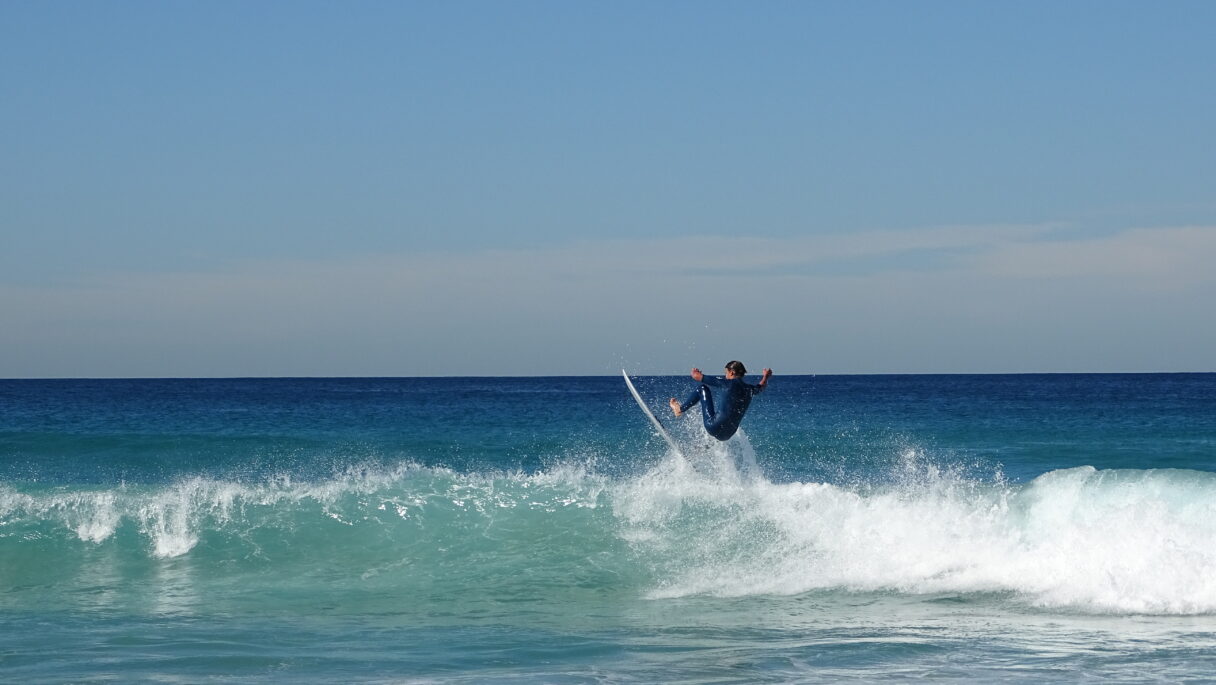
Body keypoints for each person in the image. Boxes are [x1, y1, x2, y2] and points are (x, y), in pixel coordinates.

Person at [669, 361, 772, 441]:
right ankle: (700, 450)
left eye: (726, 373)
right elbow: (761, 387)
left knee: (702, 389)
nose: (725, 376)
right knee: (717, 433)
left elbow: (696, 377)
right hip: (728, 434)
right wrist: (765, 377)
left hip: (713, 426)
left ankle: (680, 409)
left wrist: (695, 372)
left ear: (731, 372)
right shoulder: (750, 389)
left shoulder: (727, 383)